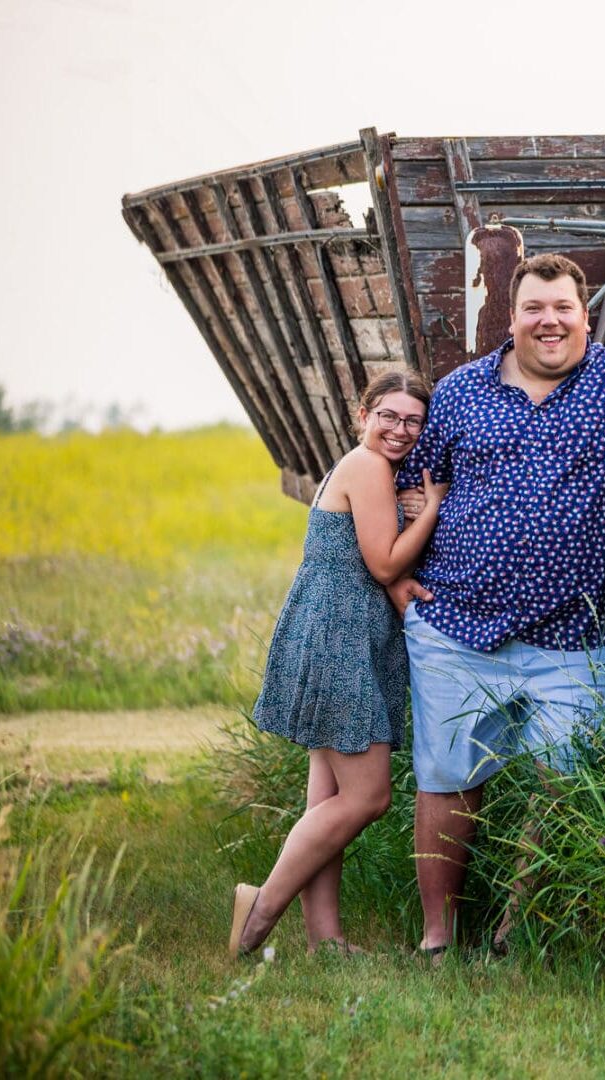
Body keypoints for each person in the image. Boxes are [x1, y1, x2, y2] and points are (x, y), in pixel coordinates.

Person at [388, 252, 605, 957]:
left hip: (578, 632)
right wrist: (397, 579)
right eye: (534, 310)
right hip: (457, 623)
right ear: (510, 320)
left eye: (563, 309)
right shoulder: (460, 393)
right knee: (448, 779)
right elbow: (409, 485)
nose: (550, 322)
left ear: (585, 316)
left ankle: (522, 929)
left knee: (565, 787)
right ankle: (437, 938)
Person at [229, 370, 448, 958]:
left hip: (340, 632)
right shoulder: (369, 467)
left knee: (326, 803)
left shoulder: (367, 466)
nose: (400, 430)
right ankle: (261, 904)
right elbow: (383, 565)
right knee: (367, 798)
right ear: (363, 414)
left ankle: (326, 942)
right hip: (339, 639)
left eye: (413, 421)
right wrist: (432, 510)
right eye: (389, 416)